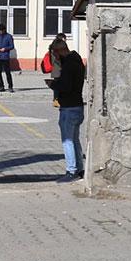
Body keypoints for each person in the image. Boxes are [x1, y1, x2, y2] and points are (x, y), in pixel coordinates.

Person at [49, 38, 87, 182]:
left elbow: (66, 86)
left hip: (69, 107)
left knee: (67, 140)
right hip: (77, 105)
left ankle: (71, 170)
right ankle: (80, 169)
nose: (55, 57)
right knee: (75, 139)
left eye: (55, 53)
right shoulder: (77, 61)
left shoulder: (69, 65)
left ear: (60, 51)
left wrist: (53, 85)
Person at [0, 23, 16, 93]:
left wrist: (5, 49)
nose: (0, 32)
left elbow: (12, 46)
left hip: (5, 57)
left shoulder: (9, 36)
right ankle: (1, 86)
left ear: (4, 30)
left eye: (1, 31)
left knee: (7, 72)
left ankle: (10, 86)